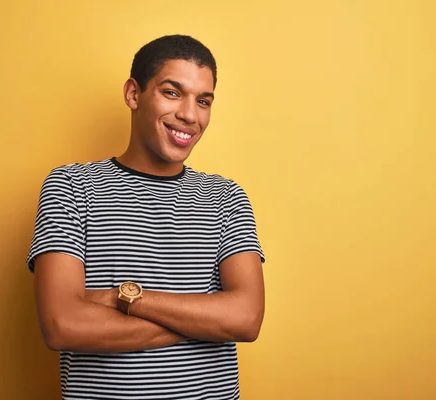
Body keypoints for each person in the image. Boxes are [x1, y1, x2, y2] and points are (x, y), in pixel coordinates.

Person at [27, 34, 265, 400]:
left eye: (203, 101)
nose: (190, 115)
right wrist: (209, 320)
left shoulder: (225, 197)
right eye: (172, 92)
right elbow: (62, 324)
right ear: (133, 94)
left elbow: (246, 319)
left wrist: (125, 298)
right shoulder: (71, 187)